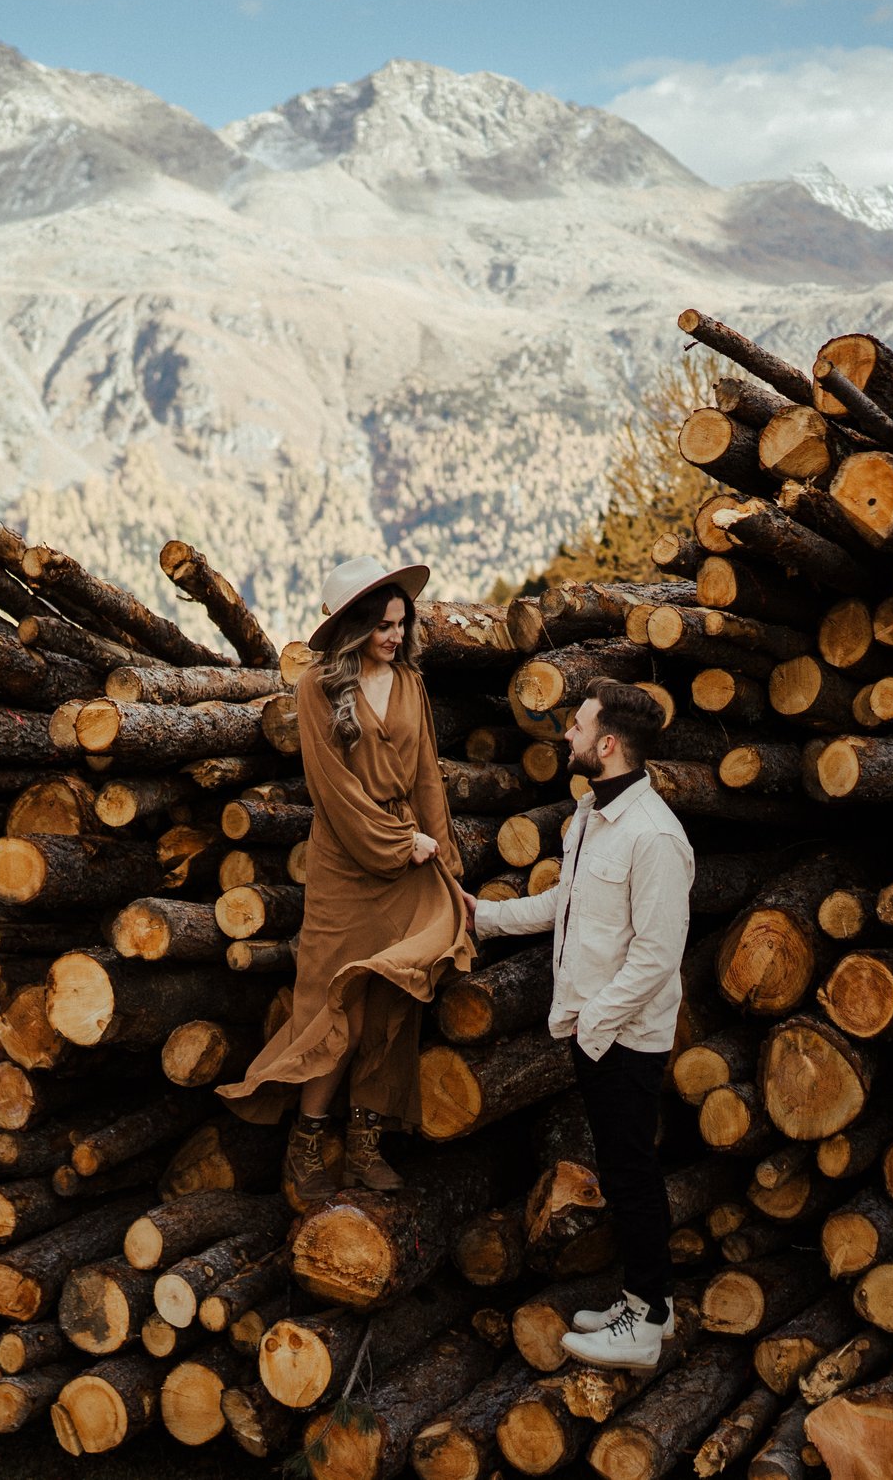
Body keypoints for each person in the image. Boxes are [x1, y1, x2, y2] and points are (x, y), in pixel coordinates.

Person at [217, 555, 474, 1207]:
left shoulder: (410, 683)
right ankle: (304, 1143)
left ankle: (364, 1145)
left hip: (411, 859)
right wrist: (400, 843)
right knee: (335, 1006)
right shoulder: (318, 690)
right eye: (384, 625)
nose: (395, 634)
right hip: (348, 863)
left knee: (395, 998)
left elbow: (426, 778)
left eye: (400, 622)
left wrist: (442, 855)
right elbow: (332, 792)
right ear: (354, 627)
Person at [466, 679, 692, 1368]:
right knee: (623, 1168)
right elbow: (567, 903)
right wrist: (485, 914)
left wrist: (594, 1021)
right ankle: (645, 1300)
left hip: (624, 1037)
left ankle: (647, 1323)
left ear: (609, 743)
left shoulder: (655, 835)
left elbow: (658, 954)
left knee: (631, 1173)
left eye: (578, 725)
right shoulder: (595, 812)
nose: (566, 735)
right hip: (599, 1033)